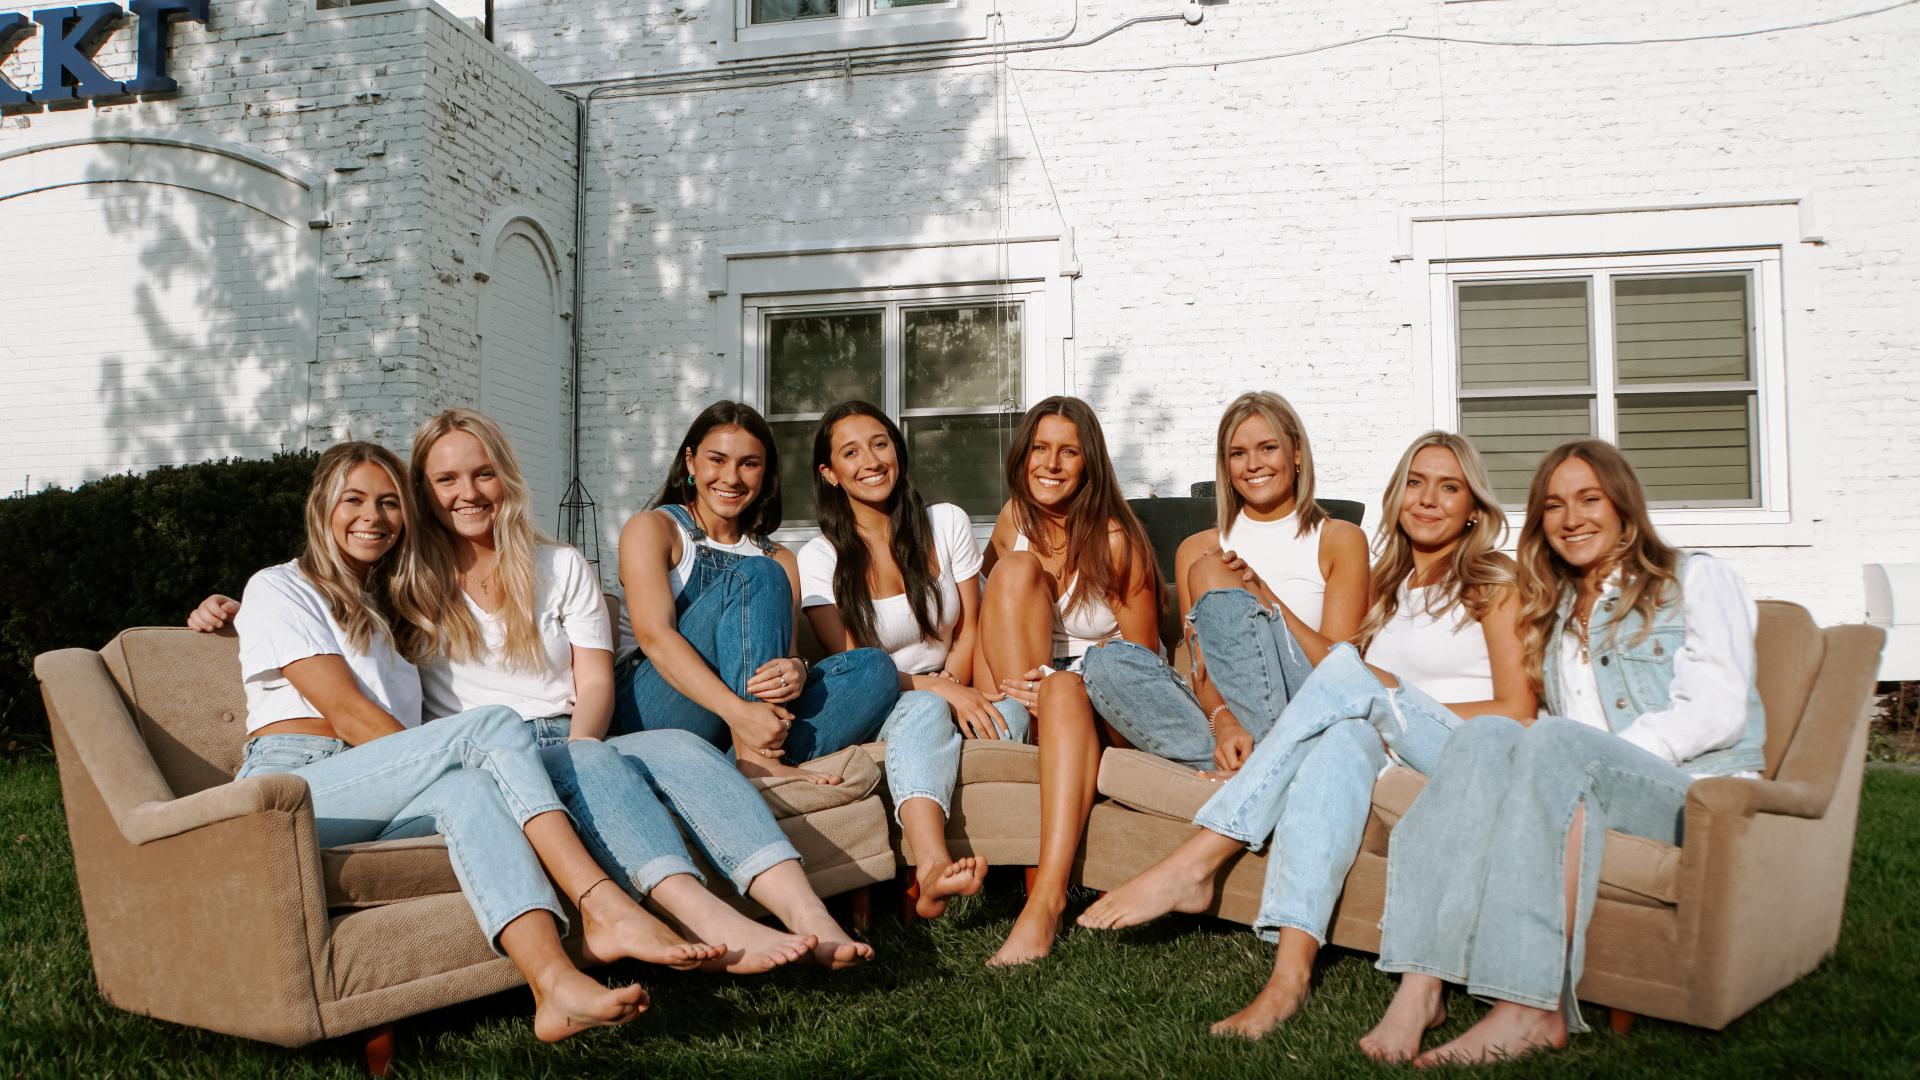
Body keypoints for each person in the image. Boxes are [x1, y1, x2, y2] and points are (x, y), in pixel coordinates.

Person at [196, 410, 870, 970]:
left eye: (483, 473)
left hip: (570, 733)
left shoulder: (559, 566)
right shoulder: (406, 582)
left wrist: (582, 743)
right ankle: (714, 923)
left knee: (679, 748)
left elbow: (597, 682)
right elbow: (322, 611)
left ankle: (806, 911)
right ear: (425, 495)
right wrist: (233, 614)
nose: (468, 492)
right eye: (446, 479)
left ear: (505, 480)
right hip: (482, 753)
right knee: (603, 754)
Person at [225, 441, 724, 1042]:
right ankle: (602, 903)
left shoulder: (385, 605)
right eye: (353, 500)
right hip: (295, 787)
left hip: (373, 789)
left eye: (389, 503)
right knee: (491, 726)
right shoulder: (280, 586)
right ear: (320, 507)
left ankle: (554, 986)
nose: (374, 517)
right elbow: (349, 714)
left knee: (467, 794)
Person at [1078, 431, 1534, 1039]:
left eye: (1448, 487)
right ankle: (1286, 980)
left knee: (1352, 681)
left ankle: (1199, 856)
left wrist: (1391, 694)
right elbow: (1341, 681)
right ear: (1398, 497)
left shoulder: (1494, 582)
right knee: (1341, 733)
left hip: (1468, 744)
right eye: (1416, 484)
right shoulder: (1390, 589)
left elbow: (1518, 708)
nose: (1428, 499)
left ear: (1474, 505)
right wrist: (1276, 617)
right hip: (1385, 746)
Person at [1361, 439, 1766, 1065]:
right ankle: (1420, 987)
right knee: (1489, 733)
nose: (1571, 518)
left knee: (1548, 740)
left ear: (1624, 505)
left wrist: (1587, 753)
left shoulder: (1696, 578)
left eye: (1589, 499)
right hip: (1594, 782)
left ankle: (1529, 1008)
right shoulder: (1556, 608)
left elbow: (1718, 708)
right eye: (1553, 506)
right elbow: (1555, 719)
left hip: (1697, 794)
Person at [798, 402, 1029, 920]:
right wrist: (941, 692)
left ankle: (1003, 861)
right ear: (829, 473)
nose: (871, 461)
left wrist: (959, 684)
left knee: (1011, 713)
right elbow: (858, 666)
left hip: (958, 682)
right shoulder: (821, 557)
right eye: (850, 452)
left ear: (897, 452)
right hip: (885, 699)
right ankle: (929, 869)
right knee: (925, 715)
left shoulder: (945, 523)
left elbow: (971, 623)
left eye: (880, 444)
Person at [1080, 390, 1369, 775]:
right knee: (1107, 662)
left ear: (1296, 453)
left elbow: (1341, 671)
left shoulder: (1338, 538)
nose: (1253, 465)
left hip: (1309, 705)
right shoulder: (1195, 548)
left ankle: (1261, 768)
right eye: (1238, 454)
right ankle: (1262, 765)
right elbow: (1201, 669)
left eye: (1268, 448)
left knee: (1211, 571)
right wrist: (1225, 723)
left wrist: (1263, 597)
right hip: (1227, 722)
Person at [610, 401, 899, 782]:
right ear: (691, 462)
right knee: (756, 575)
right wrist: (739, 712)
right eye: (717, 459)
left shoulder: (780, 557)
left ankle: (735, 769)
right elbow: (655, 636)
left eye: (749, 463)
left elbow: (778, 654)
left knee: (874, 669)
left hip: (736, 723)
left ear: (765, 475)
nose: (731, 477)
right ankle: (758, 760)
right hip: (654, 708)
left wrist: (796, 669)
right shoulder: (654, 529)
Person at [976, 396, 1163, 966]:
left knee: (1062, 688)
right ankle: (1024, 729)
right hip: (1025, 693)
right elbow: (990, 615)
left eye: (1068, 452)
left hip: (1103, 702)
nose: (1050, 464)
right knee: (1013, 570)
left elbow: (1144, 659)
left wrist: (1070, 682)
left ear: (1090, 464)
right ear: (1023, 454)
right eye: (1040, 448)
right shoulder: (1013, 521)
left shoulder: (1115, 540)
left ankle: (1045, 904)